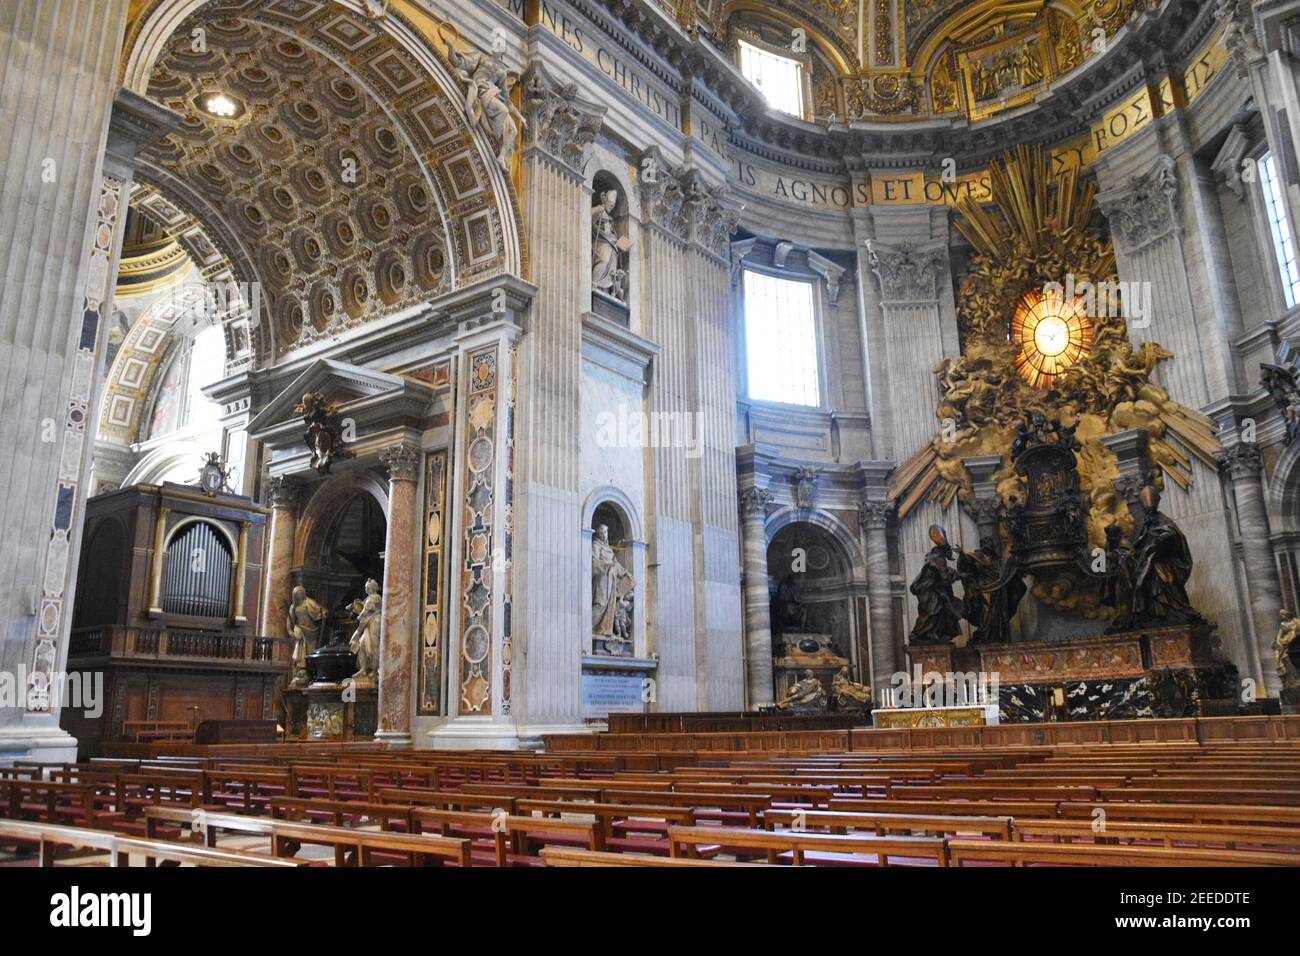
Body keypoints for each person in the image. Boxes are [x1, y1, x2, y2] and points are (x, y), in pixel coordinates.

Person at [287, 586, 326, 686]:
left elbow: (321, 611)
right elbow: (290, 621)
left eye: (300, 593)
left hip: (312, 632)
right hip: (301, 632)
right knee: (301, 653)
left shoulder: (309, 603)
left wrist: (323, 614)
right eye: (297, 594)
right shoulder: (293, 607)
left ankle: (311, 672)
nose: (299, 596)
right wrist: (291, 631)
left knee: (311, 651)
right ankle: (301, 671)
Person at [349, 579, 382, 682]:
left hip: (374, 623)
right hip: (368, 624)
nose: (366, 589)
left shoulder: (375, 598)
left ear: (372, 588)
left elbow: (365, 612)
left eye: (367, 587)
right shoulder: (369, 598)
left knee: (373, 646)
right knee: (363, 643)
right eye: (365, 587)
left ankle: (375, 670)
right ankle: (363, 669)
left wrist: (358, 616)